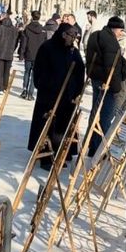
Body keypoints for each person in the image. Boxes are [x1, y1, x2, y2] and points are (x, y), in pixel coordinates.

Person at [29, 23, 86, 170]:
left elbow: (80, 70)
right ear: (63, 35)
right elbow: (39, 72)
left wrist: (78, 90)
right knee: (48, 127)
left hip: (67, 97)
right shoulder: (47, 48)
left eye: (74, 37)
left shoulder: (73, 50)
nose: (73, 40)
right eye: (71, 36)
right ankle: (46, 157)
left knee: (63, 127)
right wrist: (46, 85)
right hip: (50, 96)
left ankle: (62, 153)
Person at [85, 16, 126, 157]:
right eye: (120, 30)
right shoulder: (110, 41)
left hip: (96, 78)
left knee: (95, 111)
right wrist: (116, 87)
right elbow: (111, 67)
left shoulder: (95, 35)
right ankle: (100, 148)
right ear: (115, 28)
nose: (121, 33)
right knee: (105, 116)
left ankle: (92, 145)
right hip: (107, 83)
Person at [18, 10, 46, 101]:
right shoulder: (43, 30)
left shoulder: (27, 29)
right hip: (39, 56)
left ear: (32, 17)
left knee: (27, 72)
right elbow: (45, 45)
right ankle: (30, 93)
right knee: (34, 75)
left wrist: (21, 54)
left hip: (28, 54)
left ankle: (24, 90)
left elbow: (24, 43)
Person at [0, 17, 18, 95]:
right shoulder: (14, 30)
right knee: (6, 72)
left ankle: (0, 88)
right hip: (9, 53)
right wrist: (12, 49)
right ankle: (5, 87)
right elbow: (16, 42)